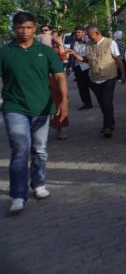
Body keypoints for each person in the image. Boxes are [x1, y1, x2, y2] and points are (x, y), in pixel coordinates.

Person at [0, 12, 68, 214]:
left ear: (34, 28)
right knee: (20, 150)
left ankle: (38, 184)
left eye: (29, 27)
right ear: (14, 28)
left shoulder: (45, 51)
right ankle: (18, 195)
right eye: (20, 27)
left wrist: (64, 101)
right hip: (14, 107)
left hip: (42, 107)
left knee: (39, 149)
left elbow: (59, 76)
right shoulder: (5, 52)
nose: (25, 31)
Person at [85, 24, 126, 138]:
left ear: (97, 33)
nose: (88, 38)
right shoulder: (88, 45)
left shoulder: (110, 43)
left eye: (90, 35)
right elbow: (86, 59)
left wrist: (123, 74)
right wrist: (75, 55)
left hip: (109, 77)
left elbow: (118, 59)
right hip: (94, 78)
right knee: (102, 103)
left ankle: (107, 127)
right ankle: (111, 122)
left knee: (107, 101)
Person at [67, 26, 94, 110]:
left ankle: (102, 101)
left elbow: (89, 57)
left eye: (79, 32)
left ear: (83, 33)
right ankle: (87, 103)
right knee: (82, 87)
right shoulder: (73, 43)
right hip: (78, 67)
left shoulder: (88, 42)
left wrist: (75, 55)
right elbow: (71, 56)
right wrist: (69, 66)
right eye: (76, 32)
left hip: (88, 67)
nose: (77, 34)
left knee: (94, 86)